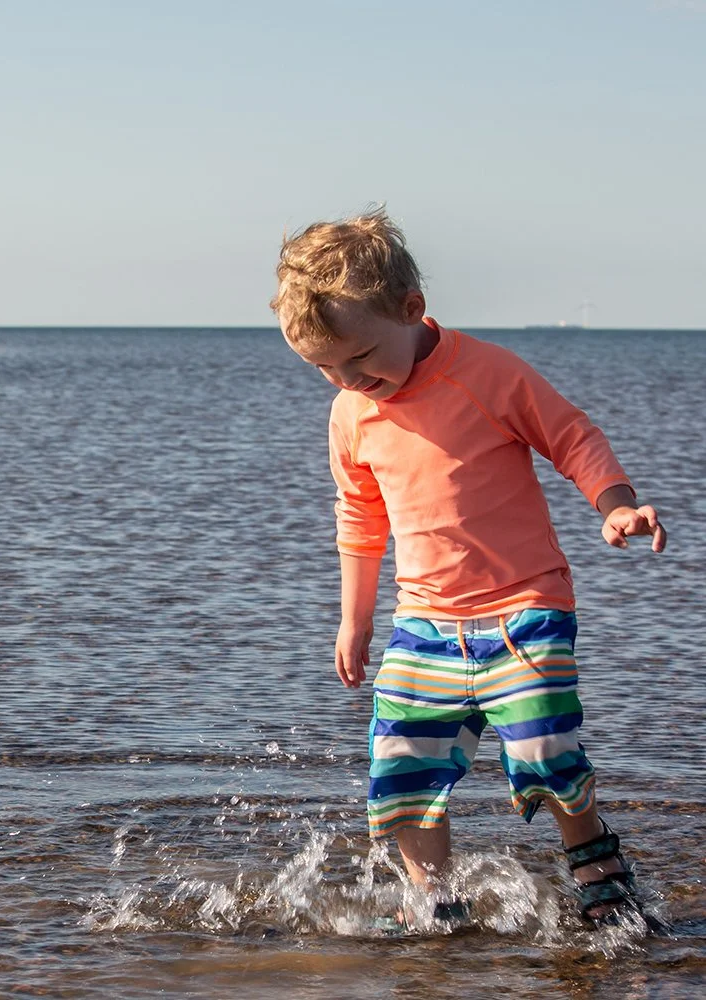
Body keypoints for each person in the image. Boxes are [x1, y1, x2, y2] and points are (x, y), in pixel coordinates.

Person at [272, 209, 668, 932]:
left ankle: (596, 866)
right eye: (324, 368)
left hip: (524, 609)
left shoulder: (488, 373)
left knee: (547, 750)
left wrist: (615, 504)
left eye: (359, 358)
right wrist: (355, 619)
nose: (348, 379)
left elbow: (571, 436)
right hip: (423, 622)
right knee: (403, 769)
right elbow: (360, 520)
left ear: (411, 311)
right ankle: (435, 902)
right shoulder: (351, 414)